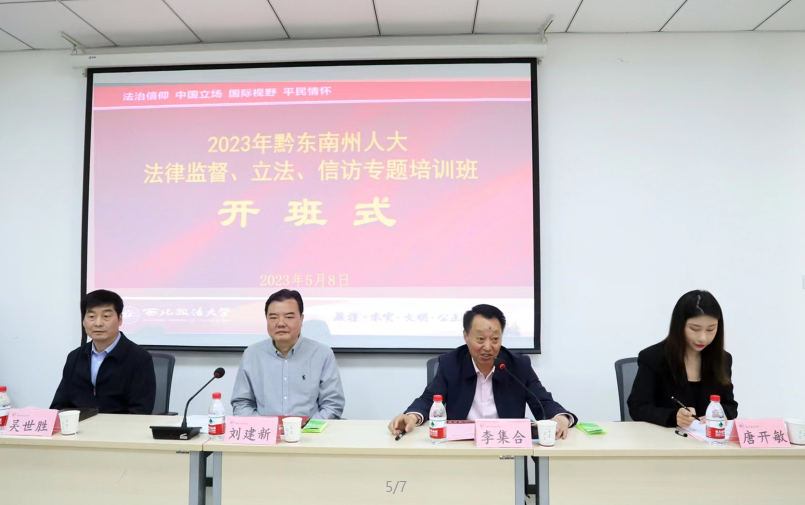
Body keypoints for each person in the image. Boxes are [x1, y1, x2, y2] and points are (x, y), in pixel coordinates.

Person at [388, 304, 576, 438]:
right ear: (466, 336)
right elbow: (429, 399)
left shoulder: (517, 366)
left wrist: (560, 418)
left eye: (495, 339)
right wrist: (411, 416)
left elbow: (542, 401)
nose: (487, 347)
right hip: (462, 446)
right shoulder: (450, 363)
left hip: (505, 445)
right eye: (480, 339)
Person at [628, 290, 738, 427]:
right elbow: (637, 407)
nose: (703, 338)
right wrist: (673, 417)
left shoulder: (723, 359)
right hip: (666, 436)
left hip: (707, 437)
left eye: (711, 329)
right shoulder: (653, 358)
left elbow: (730, 406)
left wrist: (720, 414)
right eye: (695, 329)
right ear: (679, 326)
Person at [231, 289, 344, 419]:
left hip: (310, 431)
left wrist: (307, 428)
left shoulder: (322, 354)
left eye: (289, 317)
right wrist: (265, 427)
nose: (280, 323)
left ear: (301, 319)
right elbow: (241, 404)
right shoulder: (252, 355)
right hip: (266, 431)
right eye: (273, 317)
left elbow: (332, 405)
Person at [51, 289, 156, 414]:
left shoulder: (139, 358)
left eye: (106, 316)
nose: (98, 323)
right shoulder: (75, 357)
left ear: (120, 319)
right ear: (83, 321)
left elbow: (141, 410)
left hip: (120, 425)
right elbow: (59, 404)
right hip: (80, 424)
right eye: (91, 317)